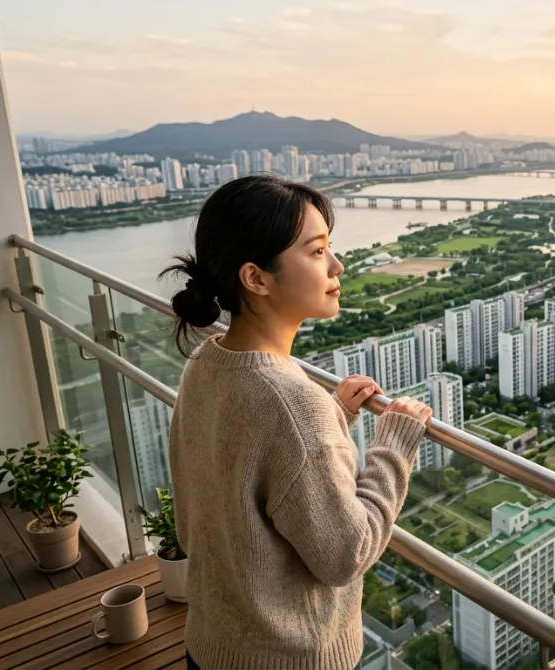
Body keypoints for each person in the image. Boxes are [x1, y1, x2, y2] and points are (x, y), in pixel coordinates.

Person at [162, 174, 432, 669]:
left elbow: (241, 470)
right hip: (289, 658)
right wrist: (393, 446)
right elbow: (345, 554)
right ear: (256, 279)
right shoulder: (293, 405)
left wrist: (335, 414)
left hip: (211, 644)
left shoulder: (206, 363)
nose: (337, 265)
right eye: (316, 252)